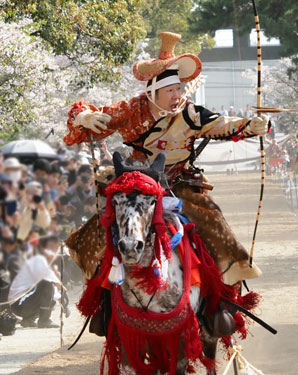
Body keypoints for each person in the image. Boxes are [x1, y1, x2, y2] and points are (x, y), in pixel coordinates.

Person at [63, 31, 269, 285]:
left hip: (179, 181)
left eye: (178, 89)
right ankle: (100, 292)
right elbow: (91, 115)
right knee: (105, 219)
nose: (176, 96)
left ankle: (226, 283)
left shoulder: (190, 114)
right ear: (153, 92)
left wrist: (251, 125)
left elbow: (222, 124)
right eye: (170, 90)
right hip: (136, 180)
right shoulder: (132, 110)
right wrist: (83, 117)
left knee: (210, 214)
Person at [8, 242, 63, 328]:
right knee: (47, 285)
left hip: (17, 306)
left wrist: (60, 297)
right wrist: (63, 292)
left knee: (51, 300)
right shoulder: (33, 262)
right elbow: (52, 282)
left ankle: (28, 320)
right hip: (20, 304)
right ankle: (44, 320)